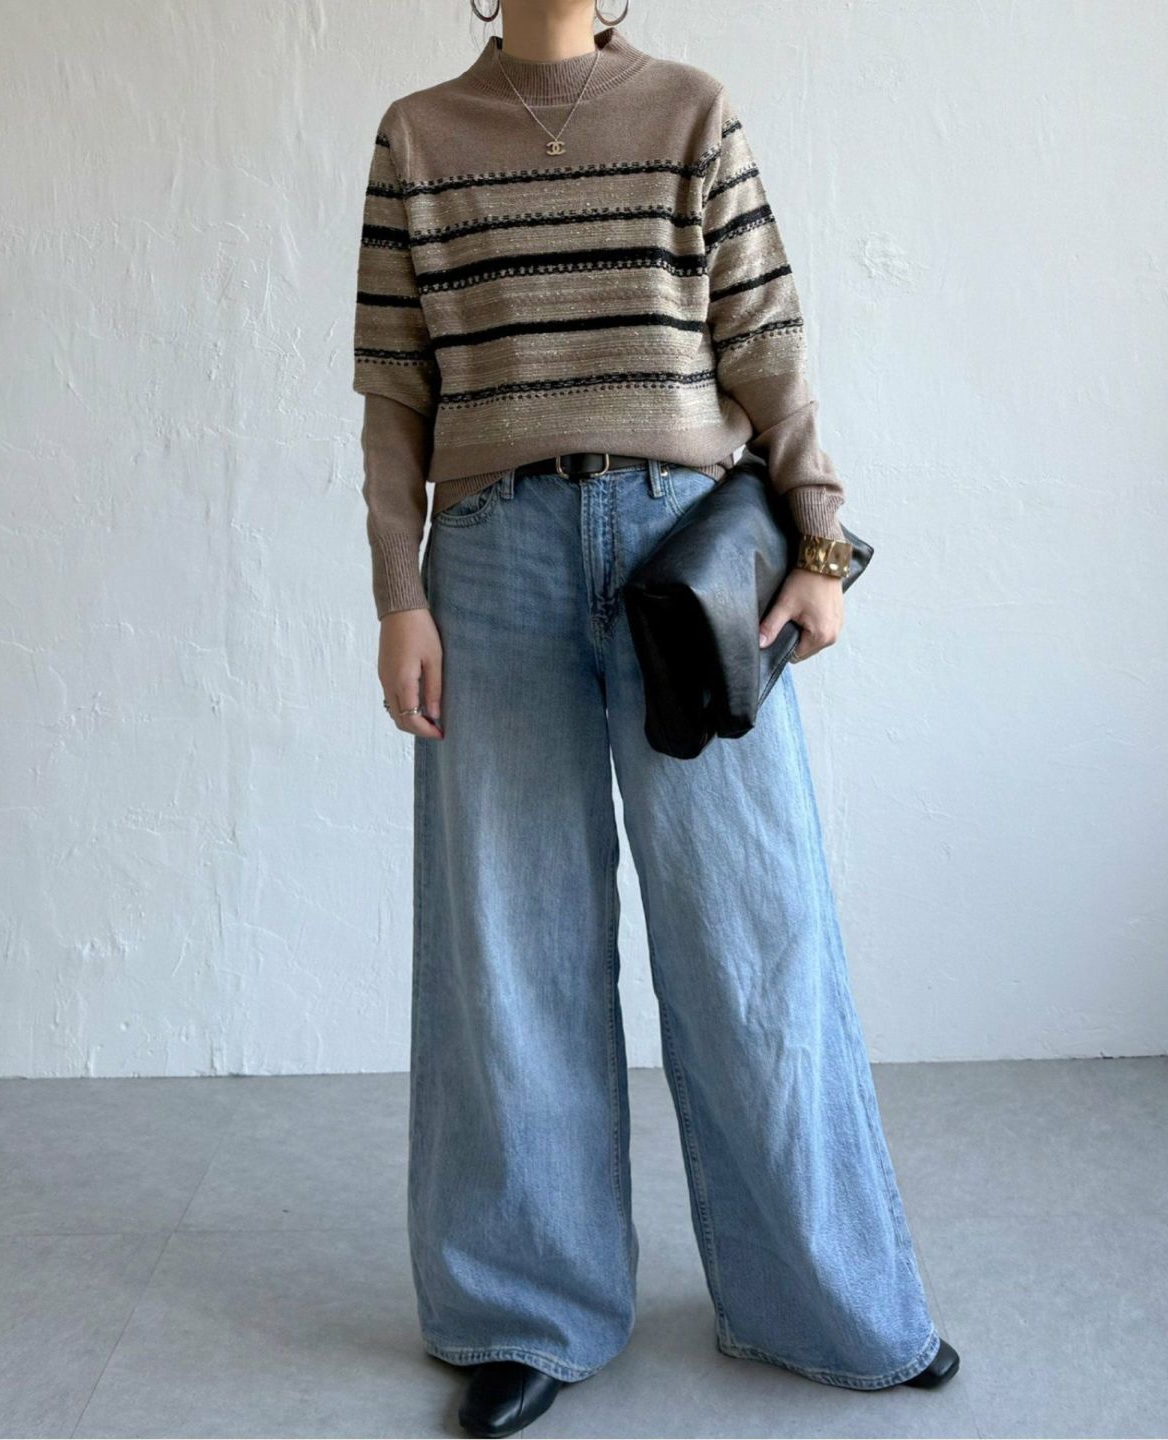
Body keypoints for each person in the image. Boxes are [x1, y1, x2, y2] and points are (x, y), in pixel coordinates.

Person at [352, 2, 959, 1434]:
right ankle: (527, 1309)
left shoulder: (691, 109)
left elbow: (767, 343)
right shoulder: (419, 137)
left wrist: (821, 544)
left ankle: (826, 1299)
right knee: (508, 946)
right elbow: (393, 390)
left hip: (686, 558)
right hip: (489, 563)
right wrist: (399, 595)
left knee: (755, 926)